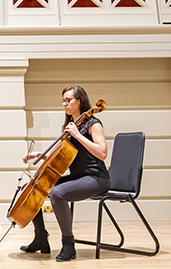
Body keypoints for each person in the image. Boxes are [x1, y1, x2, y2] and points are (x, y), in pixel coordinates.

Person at [19, 85, 109, 262]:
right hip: (78, 177)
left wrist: (78, 135)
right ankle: (40, 238)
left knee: (57, 193)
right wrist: (40, 155)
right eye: (64, 100)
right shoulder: (70, 127)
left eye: (68, 100)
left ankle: (68, 245)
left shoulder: (94, 124)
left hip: (96, 178)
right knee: (33, 188)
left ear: (79, 101)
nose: (64, 104)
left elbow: (102, 153)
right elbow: (64, 156)